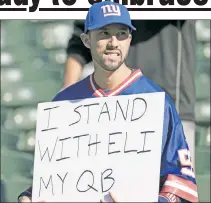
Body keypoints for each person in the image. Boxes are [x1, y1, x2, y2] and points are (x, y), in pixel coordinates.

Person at [18, 1, 198, 202]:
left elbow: (183, 188)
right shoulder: (65, 103)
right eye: (104, 33)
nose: (113, 42)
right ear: (86, 40)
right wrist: (29, 196)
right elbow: (55, 180)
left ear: (130, 39)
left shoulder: (158, 102)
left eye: (121, 34)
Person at [64, 19, 197, 168]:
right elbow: (80, 38)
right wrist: (68, 98)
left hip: (172, 111)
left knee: (176, 187)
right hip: (114, 114)